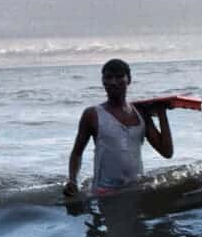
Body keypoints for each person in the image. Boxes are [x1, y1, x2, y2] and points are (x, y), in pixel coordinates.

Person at [63, 59, 174, 197]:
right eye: (108, 77)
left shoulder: (141, 114)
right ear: (103, 81)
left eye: (119, 76)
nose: (113, 82)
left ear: (129, 80)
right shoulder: (92, 114)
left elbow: (167, 152)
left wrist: (161, 112)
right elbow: (77, 153)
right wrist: (72, 180)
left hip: (136, 191)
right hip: (103, 193)